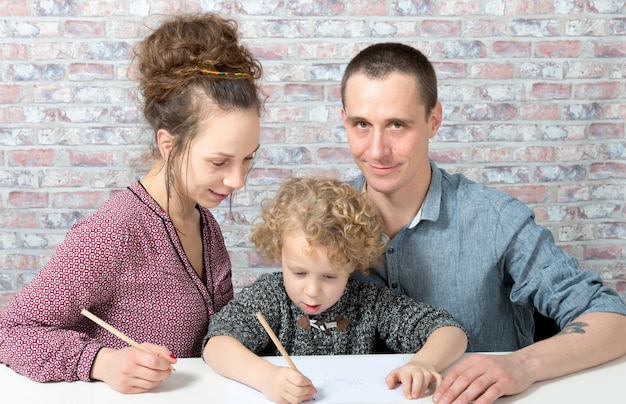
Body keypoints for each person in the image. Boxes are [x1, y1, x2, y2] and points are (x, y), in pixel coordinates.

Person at [340, 42, 626, 404]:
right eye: (361, 124)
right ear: (344, 119)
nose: (377, 150)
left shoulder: (496, 219)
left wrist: (522, 366)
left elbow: (612, 320)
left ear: (434, 120)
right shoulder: (318, 222)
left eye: (397, 125)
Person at [0, 13, 263, 394]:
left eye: (248, 158)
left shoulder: (205, 224)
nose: (237, 180)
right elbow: (11, 331)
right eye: (219, 162)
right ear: (168, 145)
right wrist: (102, 362)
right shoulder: (114, 232)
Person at [203, 177, 468, 404]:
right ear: (279, 253)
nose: (312, 291)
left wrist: (424, 364)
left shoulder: (369, 303)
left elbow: (449, 331)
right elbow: (216, 344)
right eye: (298, 273)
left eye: (329, 276)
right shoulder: (271, 297)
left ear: (352, 262)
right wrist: (266, 378)